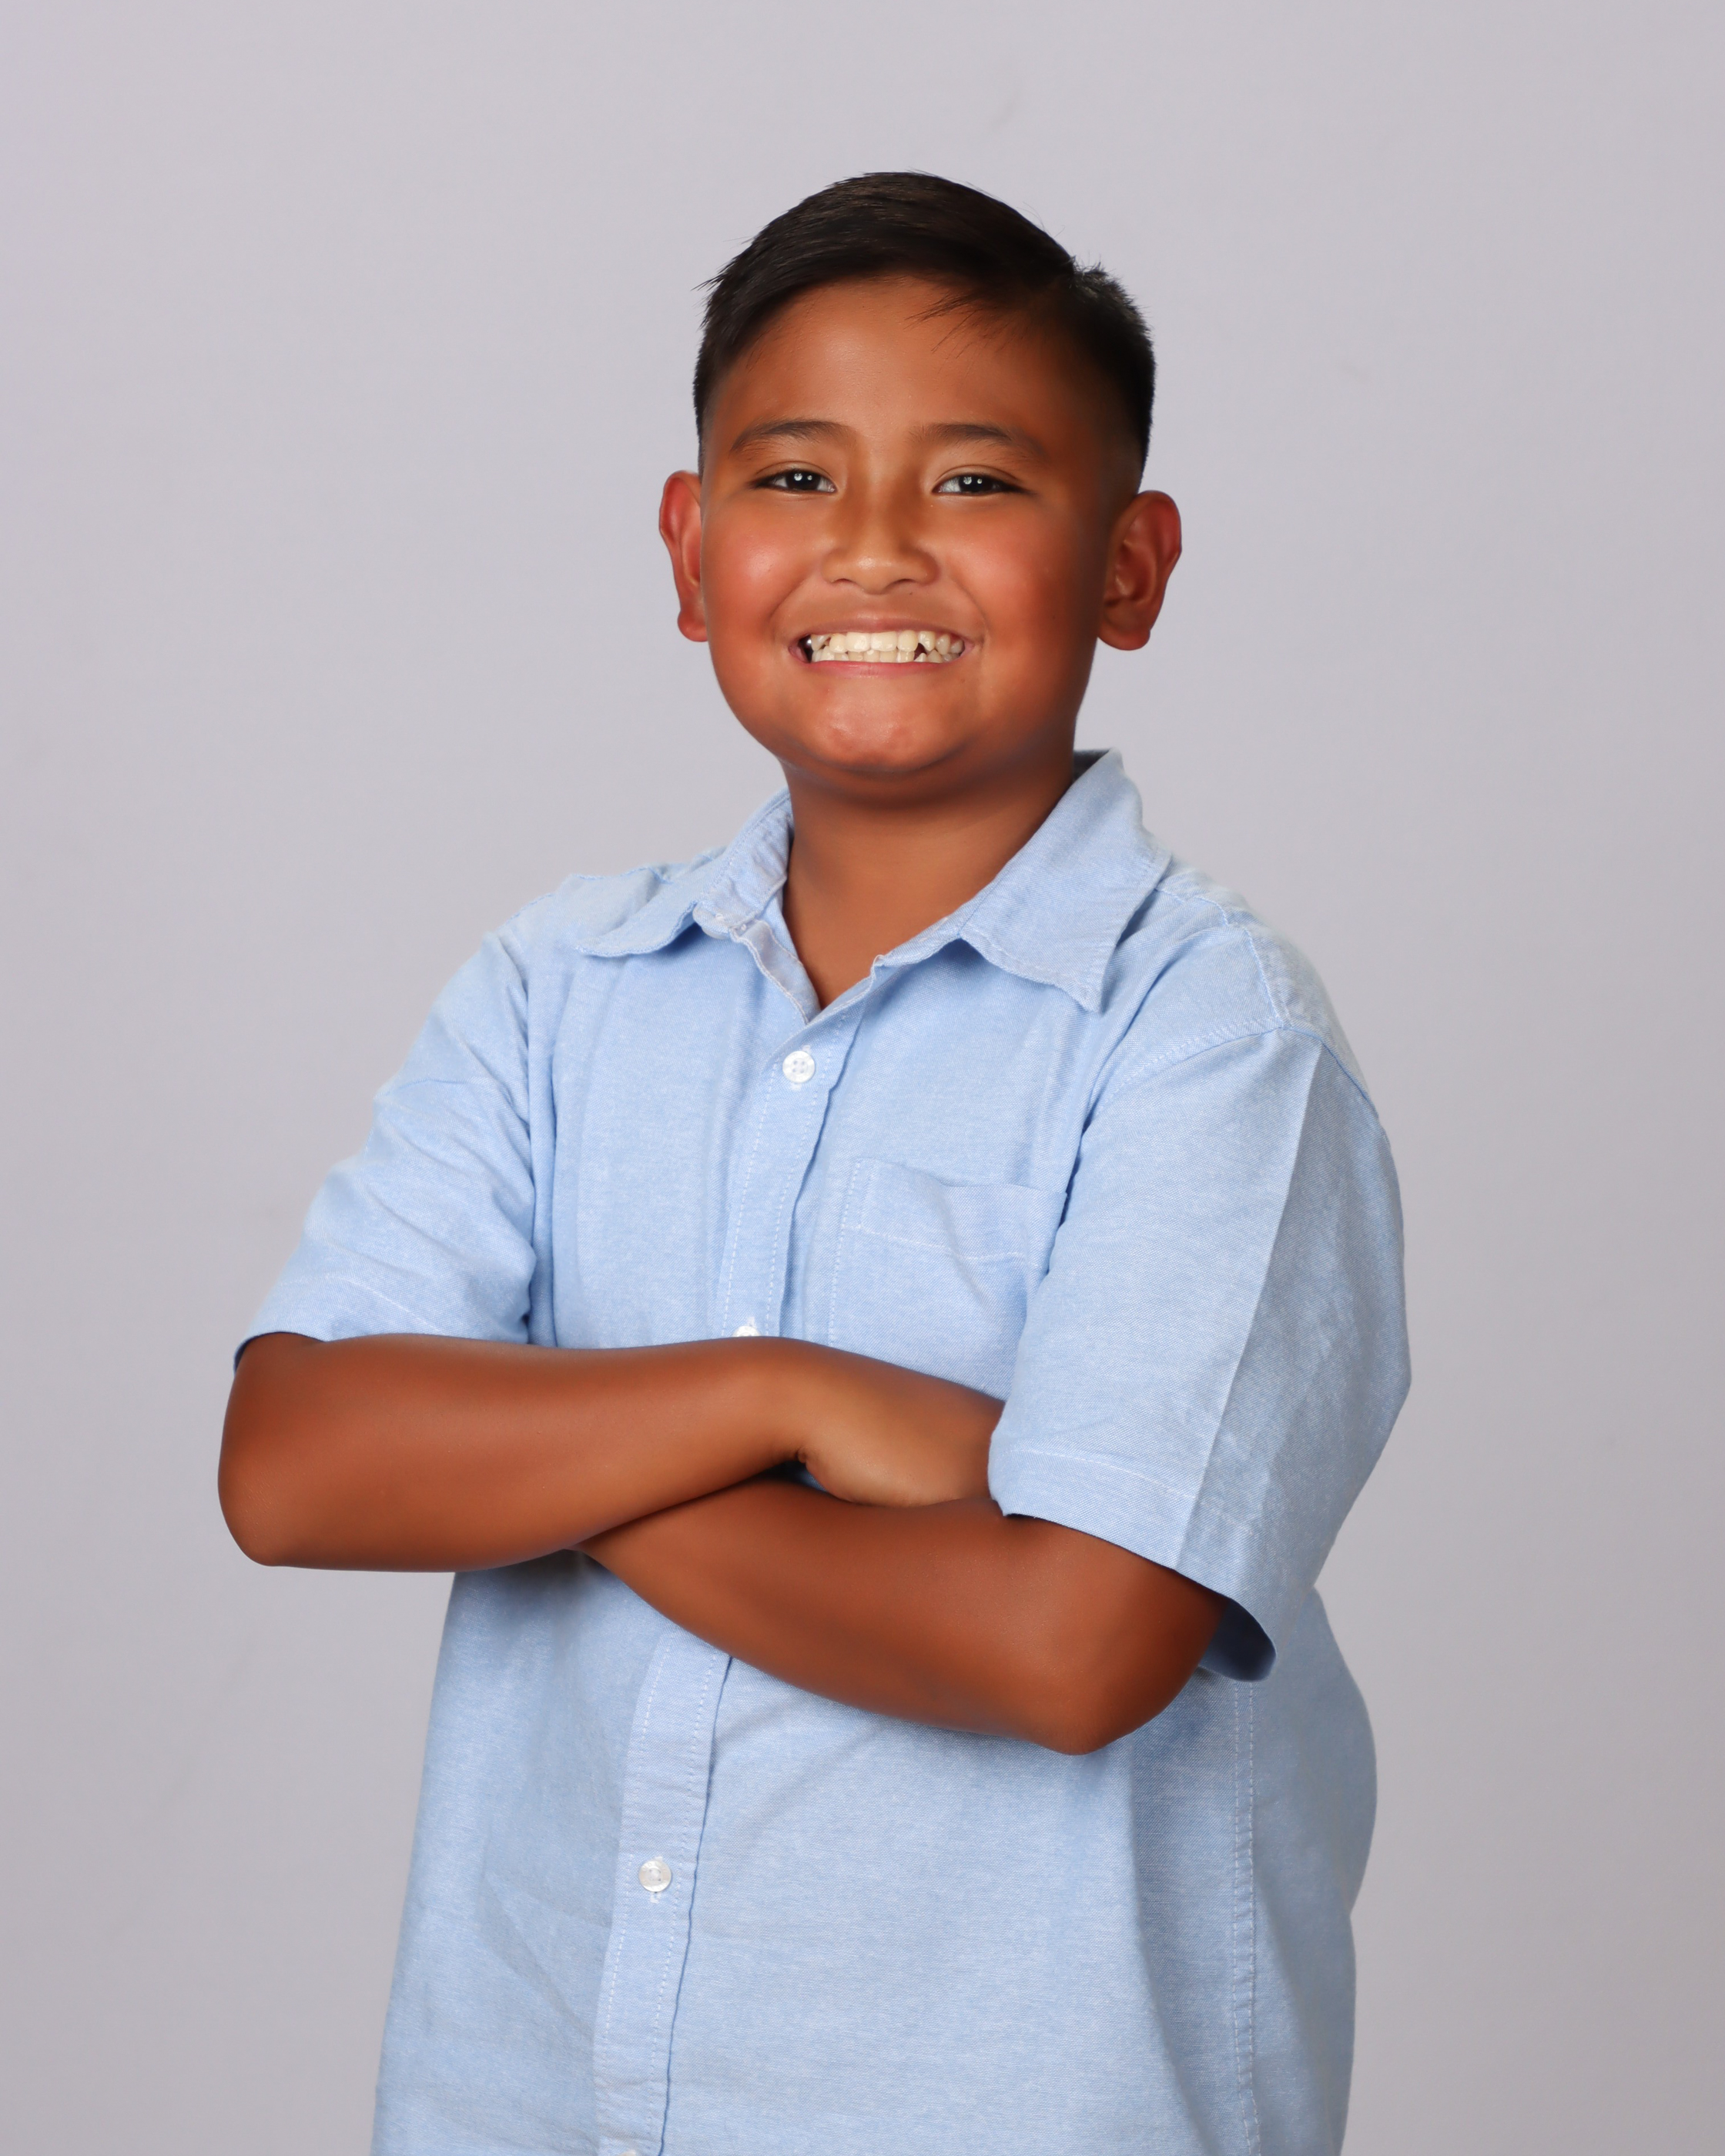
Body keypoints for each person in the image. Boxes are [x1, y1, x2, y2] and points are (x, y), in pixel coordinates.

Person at [220, 171, 1409, 2156]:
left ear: (1130, 567)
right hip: (536, 2099)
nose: (872, 547)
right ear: (690, 554)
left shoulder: (1212, 1040)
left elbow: (1072, 1645)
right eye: (792, 478)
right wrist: (785, 1398)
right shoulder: (560, 988)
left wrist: (548, 1470)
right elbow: (292, 1464)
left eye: (976, 482)